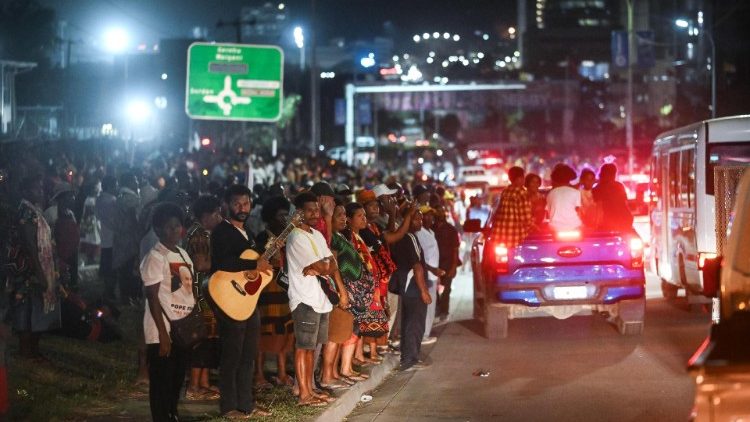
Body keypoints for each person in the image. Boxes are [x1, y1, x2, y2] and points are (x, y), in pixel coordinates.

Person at [210, 184, 273, 419]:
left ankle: (246, 404)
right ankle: (228, 407)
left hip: (247, 301)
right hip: (228, 300)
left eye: (246, 203)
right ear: (227, 205)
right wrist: (253, 265)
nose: (242, 208)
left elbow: (255, 265)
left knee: (248, 356)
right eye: (237, 203)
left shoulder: (248, 234)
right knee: (232, 356)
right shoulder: (221, 232)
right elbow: (224, 261)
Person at [285, 191, 347, 407]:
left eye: (316, 209)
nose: (314, 213)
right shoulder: (295, 237)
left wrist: (324, 267)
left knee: (311, 348)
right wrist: (324, 266)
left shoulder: (317, 235)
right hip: (304, 299)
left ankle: (309, 390)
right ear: (299, 213)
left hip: (321, 299)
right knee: (303, 347)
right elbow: (323, 265)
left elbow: (331, 263)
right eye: (309, 210)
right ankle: (303, 394)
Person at [140, 202, 194, 422]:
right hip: (162, 328)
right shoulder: (155, 257)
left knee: (177, 378)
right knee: (161, 381)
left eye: (178, 226)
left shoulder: (182, 253)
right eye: (169, 227)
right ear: (158, 229)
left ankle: (172, 414)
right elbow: (152, 297)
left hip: (183, 328)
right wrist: (163, 334)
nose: (175, 231)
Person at [7, 176, 61, 361]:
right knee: (26, 308)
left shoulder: (32, 210)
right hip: (28, 269)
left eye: (40, 187)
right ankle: (25, 351)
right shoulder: (25, 212)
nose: (40, 191)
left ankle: (33, 350)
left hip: (35, 266)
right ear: (25, 191)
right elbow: (30, 244)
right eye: (35, 188)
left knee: (35, 307)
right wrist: (39, 271)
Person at [254, 195, 295, 389]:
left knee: (285, 331)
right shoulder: (263, 237)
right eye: (280, 216)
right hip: (266, 291)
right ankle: (259, 375)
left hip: (284, 290)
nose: (284, 220)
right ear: (269, 218)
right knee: (264, 333)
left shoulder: (288, 237)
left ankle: (281, 372)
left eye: (286, 216)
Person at [184, 195, 222, 400]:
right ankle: (194, 386)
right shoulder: (199, 235)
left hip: (203, 292)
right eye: (217, 213)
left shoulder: (201, 232)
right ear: (206, 215)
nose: (220, 217)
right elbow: (200, 265)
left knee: (209, 335)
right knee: (202, 337)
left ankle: (204, 383)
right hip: (199, 293)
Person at [337, 202, 377, 382]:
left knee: (355, 328)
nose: (364, 218)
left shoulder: (353, 237)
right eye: (359, 216)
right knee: (347, 330)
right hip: (350, 291)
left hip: (359, 292)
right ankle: (343, 368)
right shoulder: (344, 238)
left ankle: (347, 367)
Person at [320, 200, 357, 390]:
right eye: (339, 215)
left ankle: (333, 373)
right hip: (335, 290)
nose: (343, 218)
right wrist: (341, 291)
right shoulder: (331, 238)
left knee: (339, 333)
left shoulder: (339, 236)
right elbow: (333, 265)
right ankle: (327, 375)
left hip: (341, 289)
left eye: (344, 215)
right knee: (333, 335)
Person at [390, 208, 432, 371]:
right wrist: (424, 290)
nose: (420, 222)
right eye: (416, 219)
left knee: (408, 321)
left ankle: (408, 356)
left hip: (405, 285)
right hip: (413, 285)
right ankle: (410, 359)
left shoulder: (401, 238)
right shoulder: (409, 237)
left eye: (420, 219)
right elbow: (417, 266)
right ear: (408, 220)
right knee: (415, 322)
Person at [414, 206, 444, 345]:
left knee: (430, 306)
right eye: (427, 216)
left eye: (432, 216)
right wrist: (433, 270)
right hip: (427, 274)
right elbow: (420, 258)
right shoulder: (419, 234)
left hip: (432, 275)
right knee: (426, 306)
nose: (431, 218)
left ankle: (426, 332)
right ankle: (423, 335)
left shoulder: (430, 231)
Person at [113, 172, 142, 304]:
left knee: (125, 269)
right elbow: (135, 219)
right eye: (135, 179)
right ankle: (130, 297)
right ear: (129, 181)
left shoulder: (121, 196)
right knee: (130, 269)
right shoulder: (130, 198)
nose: (137, 182)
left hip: (122, 238)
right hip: (130, 239)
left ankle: (126, 297)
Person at [492, 167, 533, 249]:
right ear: (519, 179)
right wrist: (535, 227)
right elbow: (526, 218)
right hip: (515, 236)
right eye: (523, 177)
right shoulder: (522, 193)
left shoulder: (505, 191)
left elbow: (498, 212)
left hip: (500, 236)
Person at [433, 204, 460, 324]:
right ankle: (437, 309)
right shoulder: (432, 228)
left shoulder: (451, 229)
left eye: (442, 212)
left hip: (448, 263)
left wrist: (454, 266)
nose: (440, 215)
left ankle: (444, 311)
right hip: (434, 264)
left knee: (446, 289)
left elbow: (455, 249)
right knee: (434, 289)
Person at [593, 163, 634, 232]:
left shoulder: (597, 189)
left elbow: (598, 209)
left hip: (606, 224)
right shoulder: (619, 186)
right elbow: (625, 204)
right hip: (623, 222)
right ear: (614, 174)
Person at [96, 176, 118, 301]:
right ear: (110, 186)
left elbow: (98, 216)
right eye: (115, 185)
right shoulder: (112, 200)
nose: (117, 187)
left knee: (106, 267)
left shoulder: (99, 199)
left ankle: (107, 291)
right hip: (113, 238)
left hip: (104, 238)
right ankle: (110, 292)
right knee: (112, 268)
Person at [54, 188, 80, 289]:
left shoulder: (70, 213)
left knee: (72, 274)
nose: (73, 199)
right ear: (62, 198)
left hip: (72, 250)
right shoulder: (52, 213)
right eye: (70, 197)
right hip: (60, 251)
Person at [546, 164, 583, 232]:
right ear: (569, 179)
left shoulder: (550, 194)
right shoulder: (576, 192)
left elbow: (549, 212)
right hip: (574, 226)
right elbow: (579, 211)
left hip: (554, 227)